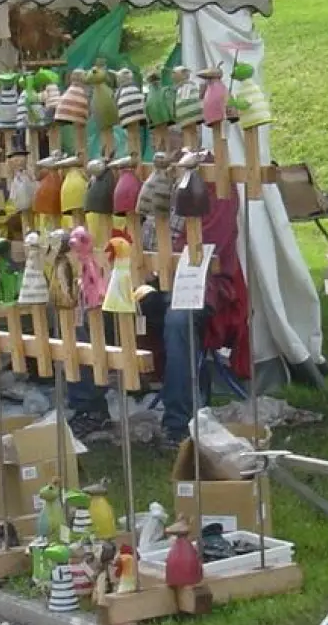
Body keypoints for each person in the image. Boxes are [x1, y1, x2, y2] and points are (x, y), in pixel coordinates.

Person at [67, 182, 247, 453]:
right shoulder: (152, 177)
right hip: (146, 281)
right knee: (89, 306)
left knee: (179, 319)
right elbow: (133, 234)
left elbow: (207, 249)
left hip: (197, 284)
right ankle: (89, 411)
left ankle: (178, 425)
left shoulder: (213, 184)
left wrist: (158, 268)